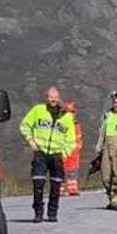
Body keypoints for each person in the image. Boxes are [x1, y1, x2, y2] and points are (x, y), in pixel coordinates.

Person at [20, 86, 78, 222]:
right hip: (40, 152)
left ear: (58, 98)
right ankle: (38, 212)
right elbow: (24, 125)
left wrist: (64, 153)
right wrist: (31, 141)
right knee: (38, 183)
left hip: (57, 154)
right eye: (50, 97)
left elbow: (71, 139)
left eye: (55, 97)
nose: (53, 99)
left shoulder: (66, 116)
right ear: (46, 98)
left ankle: (52, 213)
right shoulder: (37, 110)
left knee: (56, 185)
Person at [62, 100, 84, 195]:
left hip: (74, 152)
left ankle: (72, 189)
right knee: (61, 170)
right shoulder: (61, 124)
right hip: (63, 151)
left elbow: (79, 137)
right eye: (68, 112)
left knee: (72, 171)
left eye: (72, 112)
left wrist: (78, 147)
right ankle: (60, 189)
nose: (70, 114)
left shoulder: (76, 124)